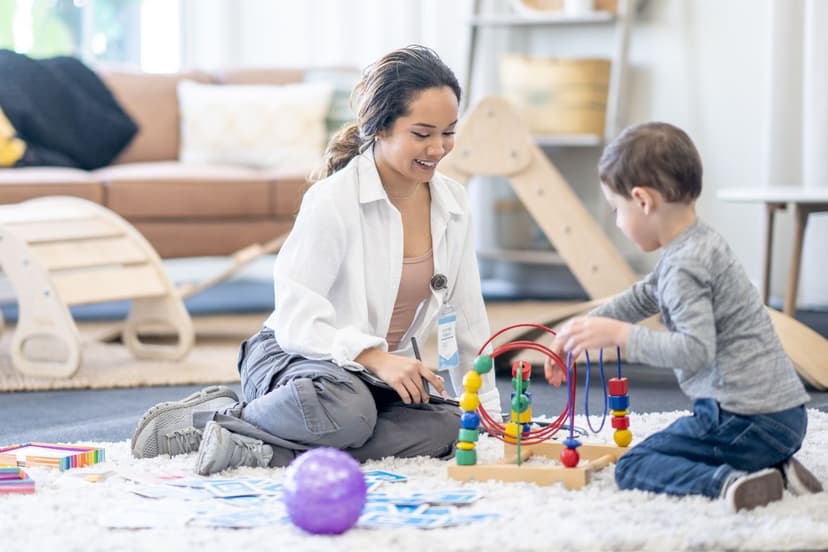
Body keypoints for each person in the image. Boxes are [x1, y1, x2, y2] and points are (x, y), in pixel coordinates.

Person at [130, 45, 501, 475]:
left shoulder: (453, 203)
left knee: (452, 426)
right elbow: (295, 316)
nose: (438, 148)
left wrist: (489, 411)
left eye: (449, 132)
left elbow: (469, 314)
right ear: (380, 128)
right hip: (295, 354)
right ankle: (215, 421)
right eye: (422, 134)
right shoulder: (332, 201)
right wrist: (374, 357)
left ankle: (261, 446)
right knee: (349, 410)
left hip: (369, 374)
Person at [544, 121, 822, 511]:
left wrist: (620, 336)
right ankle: (775, 468)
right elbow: (645, 295)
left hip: (744, 419)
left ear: (642, 200)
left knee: (636, 465)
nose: (619, 222)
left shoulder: (684, 266)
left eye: (616, 210)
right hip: (785, 417)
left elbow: (694, 351)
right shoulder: (700, 242)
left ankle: (727, 482)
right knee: (683, 444)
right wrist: (583, 327)